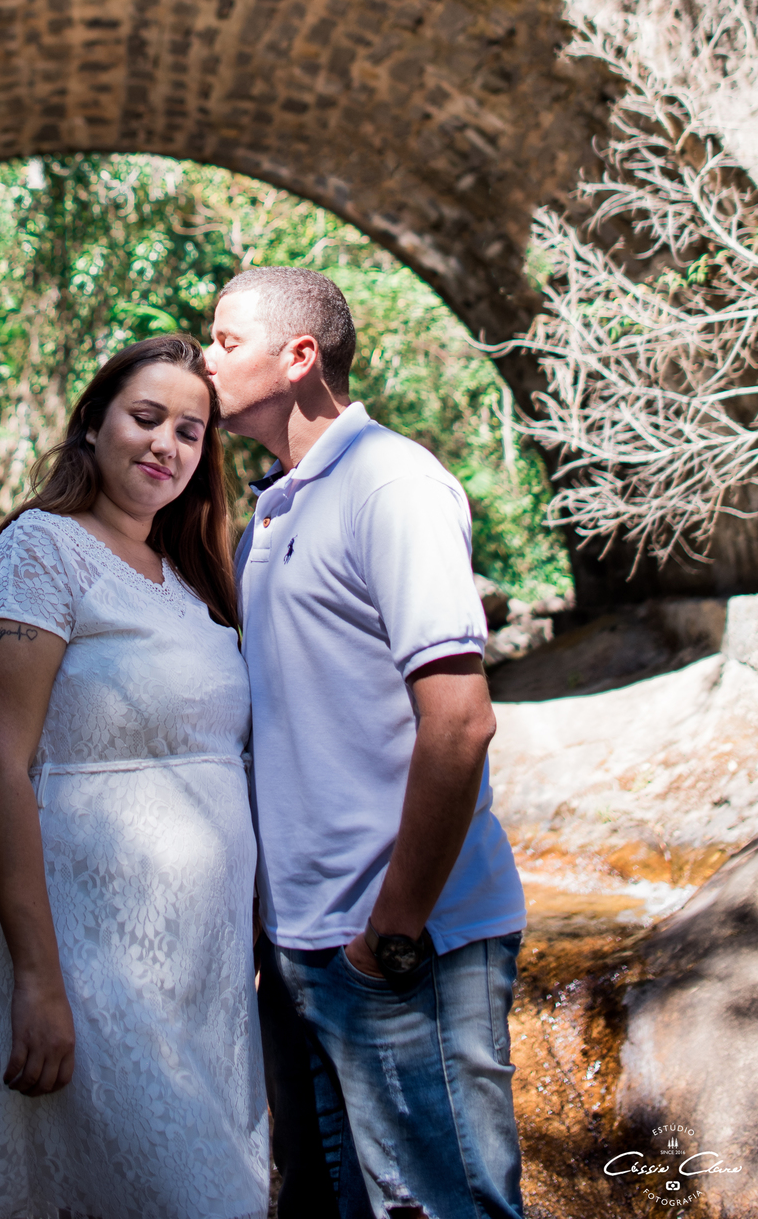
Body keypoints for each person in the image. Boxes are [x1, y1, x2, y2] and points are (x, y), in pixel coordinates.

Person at [204, 266, 527, 1219]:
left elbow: (460, 721)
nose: (205, 359)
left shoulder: (393, 484)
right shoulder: (272, 509)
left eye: (226, 340)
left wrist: (388, 937)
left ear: (299, 357)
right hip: (298, 949)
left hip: (402, 951)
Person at [0, 334, 269, 1219]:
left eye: (190, 432)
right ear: (93, 423)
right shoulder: (40, 553)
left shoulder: (190, 580)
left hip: (198, 970)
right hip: (84, 960)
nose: (168, 445)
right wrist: (38, 981)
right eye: (147, 417)